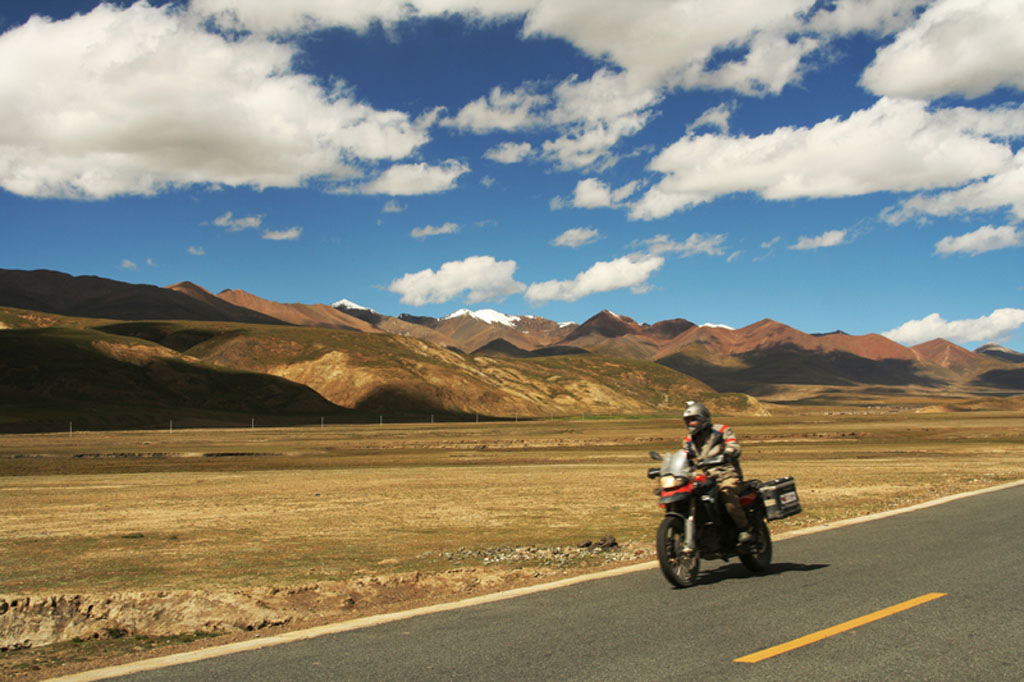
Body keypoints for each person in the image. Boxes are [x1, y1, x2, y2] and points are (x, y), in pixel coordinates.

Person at [681, 402, 754, 546]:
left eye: (693, 419)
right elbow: (684, 457)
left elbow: (733, 445)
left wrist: (729, 453)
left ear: (703, 418)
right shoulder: (689, 440)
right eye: (688, 420)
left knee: (726, 493)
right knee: (689, 496)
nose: (690, 423)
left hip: (727, 475)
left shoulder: (721, 431)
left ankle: (744, 529)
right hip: (707, 478)